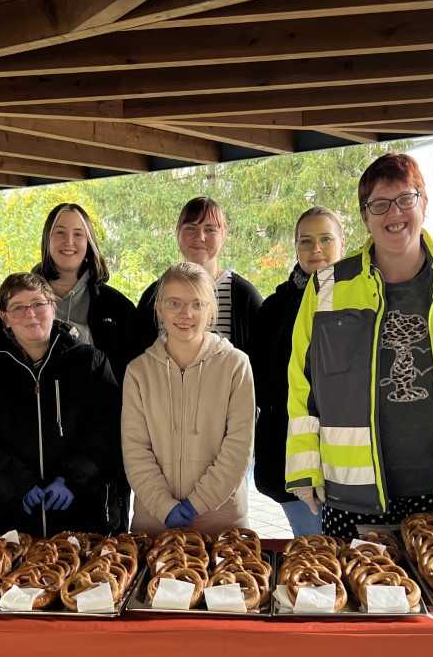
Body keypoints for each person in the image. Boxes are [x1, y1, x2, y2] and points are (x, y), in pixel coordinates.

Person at [285, 153, 433, 533]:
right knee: (365, 590)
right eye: (379, 204)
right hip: (355, 493)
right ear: (365, 218)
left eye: (405, 199)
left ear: (424, 203)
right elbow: (301, 383)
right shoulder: (327, 287)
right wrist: (303, 469)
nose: (393, 213)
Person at [0, 273, 121, 536]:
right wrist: (18, 484)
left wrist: (72, 479)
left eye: (38, 304)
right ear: (5, 317)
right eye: (18, 308)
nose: (30, 314)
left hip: (83, 515)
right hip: (10, 519)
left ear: (53, 307)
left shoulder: (90, 363)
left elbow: (108, 433)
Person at [122, 262, 255, 535]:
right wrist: (164, 507)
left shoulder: (236, 366)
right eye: (175, 303)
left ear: (211, 310)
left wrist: (198, 504)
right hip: (154, 523)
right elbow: (135, 449)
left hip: (223, 523)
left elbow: (239, 447)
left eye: (197, 304)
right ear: (159, 307)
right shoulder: (138, 372)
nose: (186, 314)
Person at [33, 202, 143, 529]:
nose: (69, 241)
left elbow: (129, 390)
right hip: (40, 455)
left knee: (107, 558)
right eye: (60, 232)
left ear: (90, 242)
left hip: (102, 455)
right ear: (47, 240)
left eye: (78, 234)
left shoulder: (117, 307)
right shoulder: (24, 302)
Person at [253, 207, 346, 537]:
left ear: (342, 244)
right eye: (305, 241)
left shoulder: (365, 302)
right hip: (290, 458)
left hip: (351, 463)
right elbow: (261, 386)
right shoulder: (273, 310)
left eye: (325, 239)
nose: (315, 249)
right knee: (315, 554)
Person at [136, 197, 262, 354]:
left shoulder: (244, 296)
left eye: (210, 229)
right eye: (191, 228)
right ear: (177, 232)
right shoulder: (153, 295)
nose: (200, 237)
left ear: (223, 234)